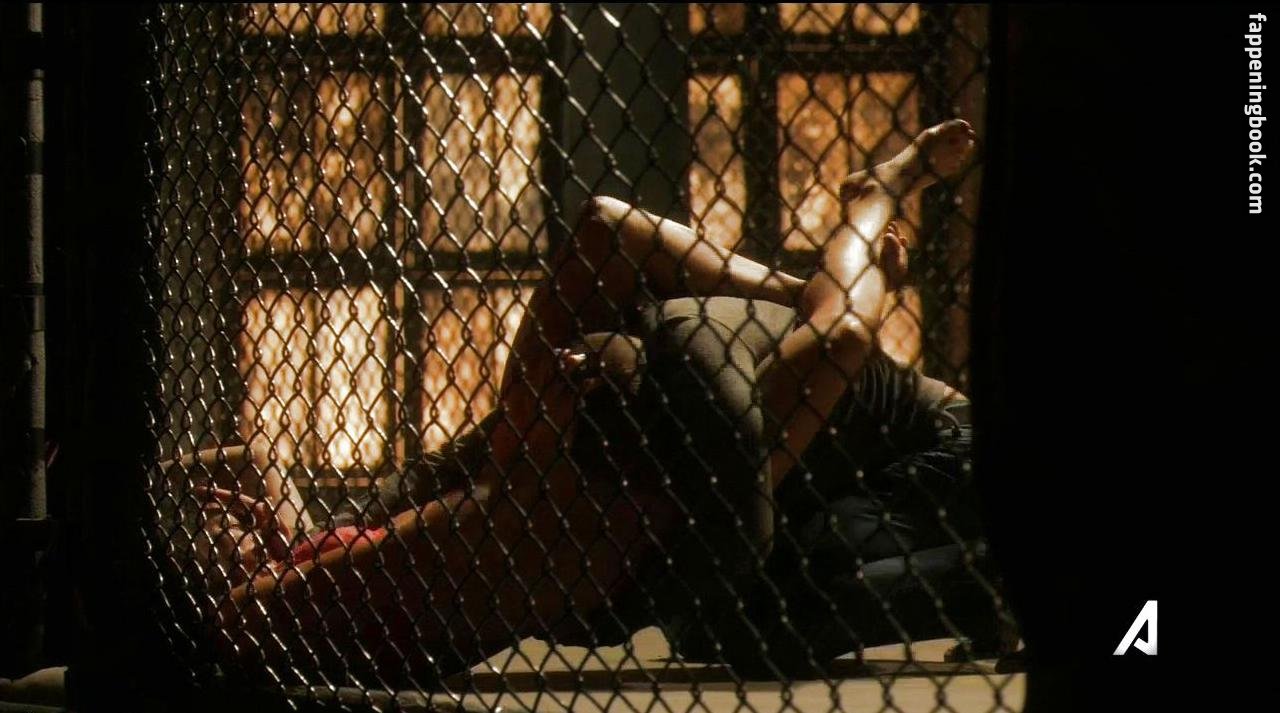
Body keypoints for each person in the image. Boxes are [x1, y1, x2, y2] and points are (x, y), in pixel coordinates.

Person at [198, 120, 985, 685]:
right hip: (740, 449)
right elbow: (837, 330)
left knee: (770, 603)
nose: (567, 366)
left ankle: (853, 224)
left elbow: (841, 332)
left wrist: (878, 203)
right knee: (764, 604)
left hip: (909, 438)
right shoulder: (612, 471)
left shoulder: (644, 467)